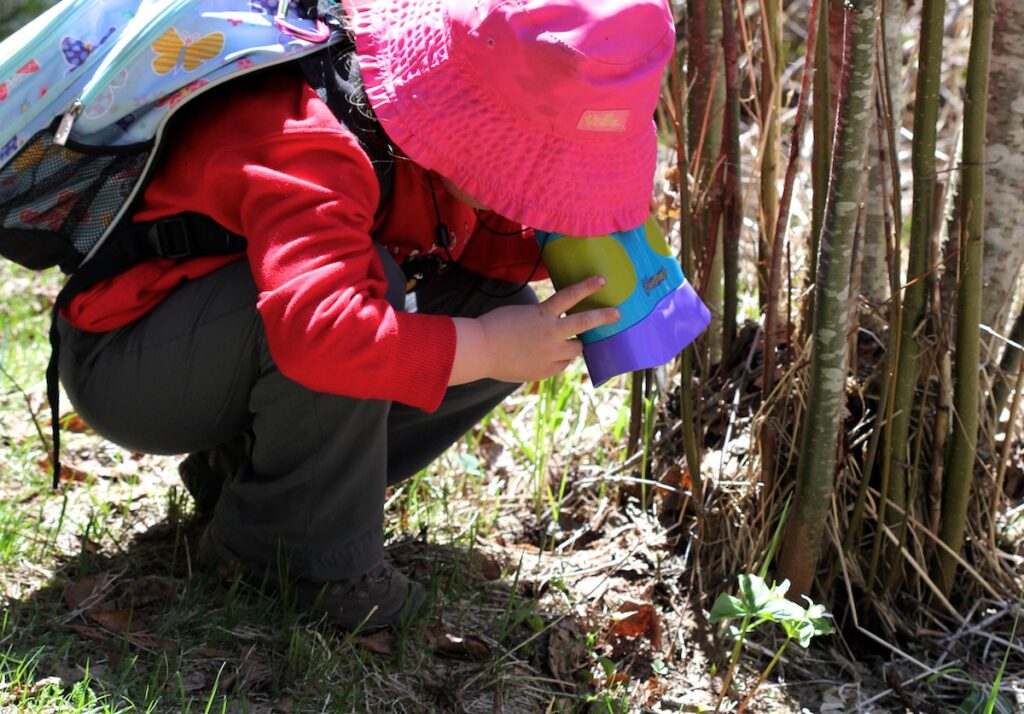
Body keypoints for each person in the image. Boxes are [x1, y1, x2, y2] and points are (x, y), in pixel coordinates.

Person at [55, 0, 676, 629]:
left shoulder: (429, 145)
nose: (540, 192)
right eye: (540, 170)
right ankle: (292, 556)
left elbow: (464, 243)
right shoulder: (310, 136)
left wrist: (568, 239)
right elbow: (320, 330)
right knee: (383, 296)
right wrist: (486, 348)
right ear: (469, 123)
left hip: (228, 338)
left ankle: (260, 484)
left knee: (501, 305)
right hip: (133, 359)